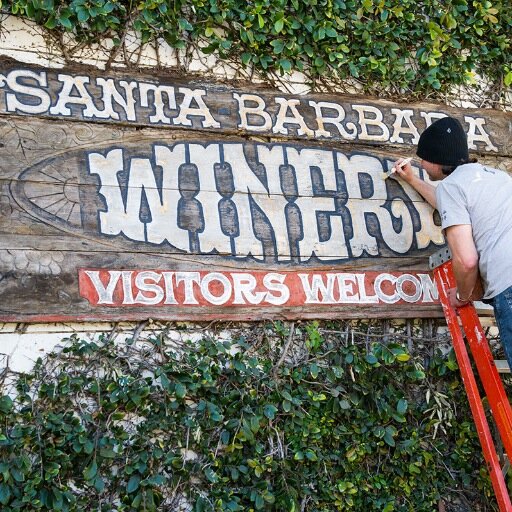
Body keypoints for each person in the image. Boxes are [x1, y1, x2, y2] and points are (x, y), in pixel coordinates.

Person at [393, 116, 512, 369]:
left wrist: (462, 294)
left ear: (436, 159)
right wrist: (413, 180)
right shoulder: (498, 178)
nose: (422, 164)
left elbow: (467, 260)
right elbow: (453, 205)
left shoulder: (452, 187)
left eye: (423, 158)